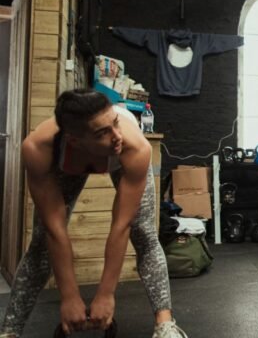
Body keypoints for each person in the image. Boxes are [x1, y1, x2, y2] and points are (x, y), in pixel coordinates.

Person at [0, 89, 187, 337]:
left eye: (115, 124)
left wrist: (106, 294)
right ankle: (9, 331)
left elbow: (121, 225)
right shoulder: (38, 148)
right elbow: (55, 229)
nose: (116, 136)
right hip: (69, 162)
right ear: (74, 140)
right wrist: (69, 296)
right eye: (103, 132)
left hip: (118, 161)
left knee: (143, 232)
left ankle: (165, 324)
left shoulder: (134, 148)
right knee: (41, 240)